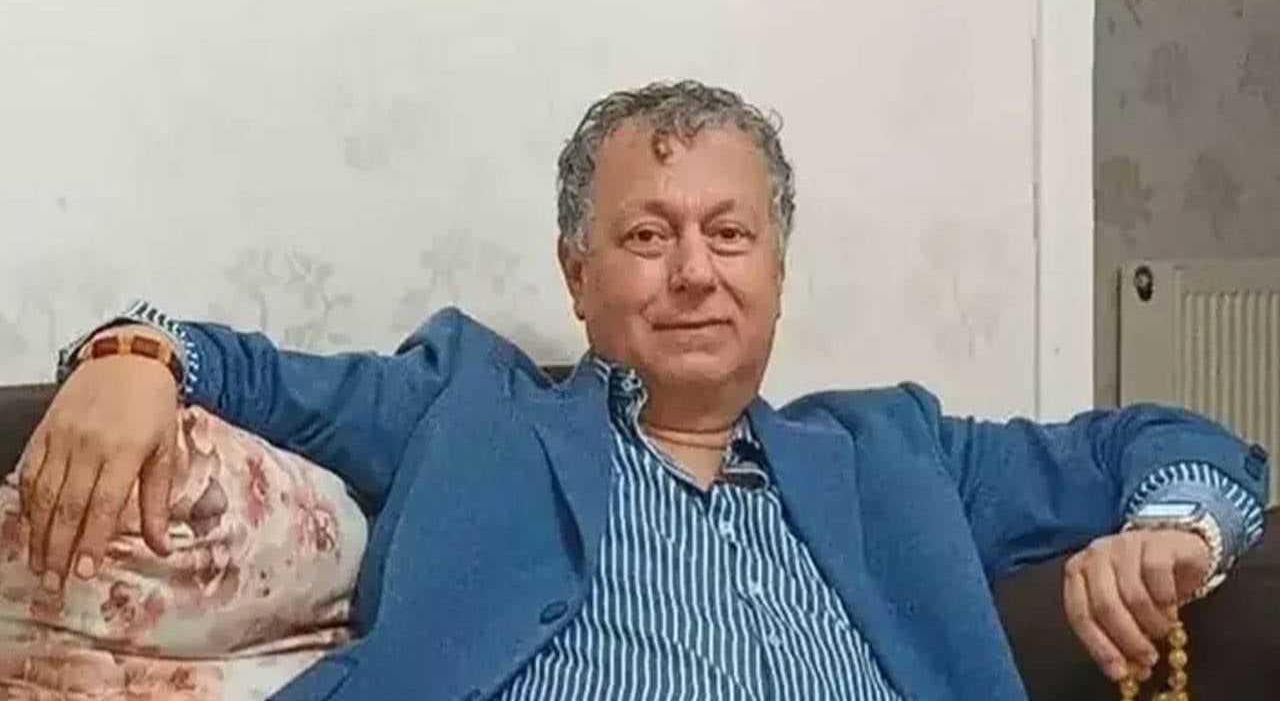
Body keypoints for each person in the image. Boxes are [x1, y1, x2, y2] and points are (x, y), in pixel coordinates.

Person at [17, 80, 1268, 700]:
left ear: (775, 271)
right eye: (645, 235)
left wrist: (1173, 529)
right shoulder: (472, 408)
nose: (693, 273)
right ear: (577, 275)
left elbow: (1180, 446)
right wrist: (134, 357)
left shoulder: (890, 449)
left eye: (728, 235)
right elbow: (246, 369)